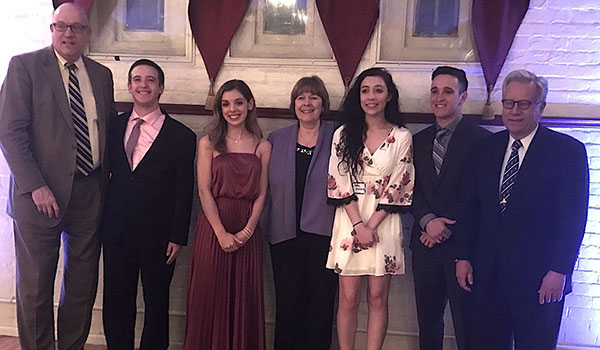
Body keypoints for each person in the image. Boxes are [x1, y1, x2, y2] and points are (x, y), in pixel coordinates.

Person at [0, 3, 115, 349]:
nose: (68, 33)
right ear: (51, 29)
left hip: (89, 192)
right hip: (40, 196)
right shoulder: (25, 67)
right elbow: (10, 132)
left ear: (87, 34)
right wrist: (35, 185)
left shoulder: (101, 75)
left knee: (81, 286)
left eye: (76, 28)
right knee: (35, 287)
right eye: (61, 26)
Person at [455, 69, 589, 350]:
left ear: (541, 107)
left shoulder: (567, 152)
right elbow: (471, 209)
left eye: (524, 104)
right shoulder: (485, 149)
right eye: (508, 103)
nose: (514, 111)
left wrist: (559, 270)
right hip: (488, 275)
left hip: (540, 279)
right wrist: (463, 257)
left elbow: (573, 218)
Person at [100, 59, 196, 349]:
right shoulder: (112, 126)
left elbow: (184, 189)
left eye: (151, 80)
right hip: (116, 231)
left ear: (161, 88)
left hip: (160, 236)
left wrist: (178, 236)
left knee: (156, 304)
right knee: (117, 302)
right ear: (129, 87)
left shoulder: (182, 135)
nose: (143, 85)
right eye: (137, 79)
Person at [326, 67, 414, 350]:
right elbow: (337, 180)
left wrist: (371, 226)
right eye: (365, 90)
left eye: (378, 90)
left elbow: (400, 183)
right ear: (358, 96)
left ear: (389, 96)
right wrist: (358, 226)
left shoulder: (401, 136)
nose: (371, 96)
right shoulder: (343, 134)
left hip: (383, 221)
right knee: (348, 297)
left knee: (378, 297)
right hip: (350, 219)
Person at [184, 79, 271, 350]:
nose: (232, 109)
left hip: (247, 227)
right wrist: (221, 233)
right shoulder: (208, 143)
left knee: (243, 297)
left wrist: (246, 232)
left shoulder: (262, 146)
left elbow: (261, 194)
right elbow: (203, 190)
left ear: (250, 105)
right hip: (213, 228)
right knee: (210, 295)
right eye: (225, 104)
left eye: (238, 102)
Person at [410, 66, 489, 350]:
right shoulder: (417, 141)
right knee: (428, 324)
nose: (439, 97)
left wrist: (444, 226)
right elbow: (410, 188)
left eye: (448, 91)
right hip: (424, 244)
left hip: (463, 247)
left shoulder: (482, 141)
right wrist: (428, 221)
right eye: (434, 91)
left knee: (467, 323)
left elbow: (479, 196)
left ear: (463, 97)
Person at [265, 76, 338, 350]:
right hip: (284, 234)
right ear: (294, 103)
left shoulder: (338, 135)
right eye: (301, 97)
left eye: (313, 97)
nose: (307, 103)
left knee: (320, 307)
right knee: (287, 306)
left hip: (324, 235)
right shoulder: (277, 139)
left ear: (323, 103)